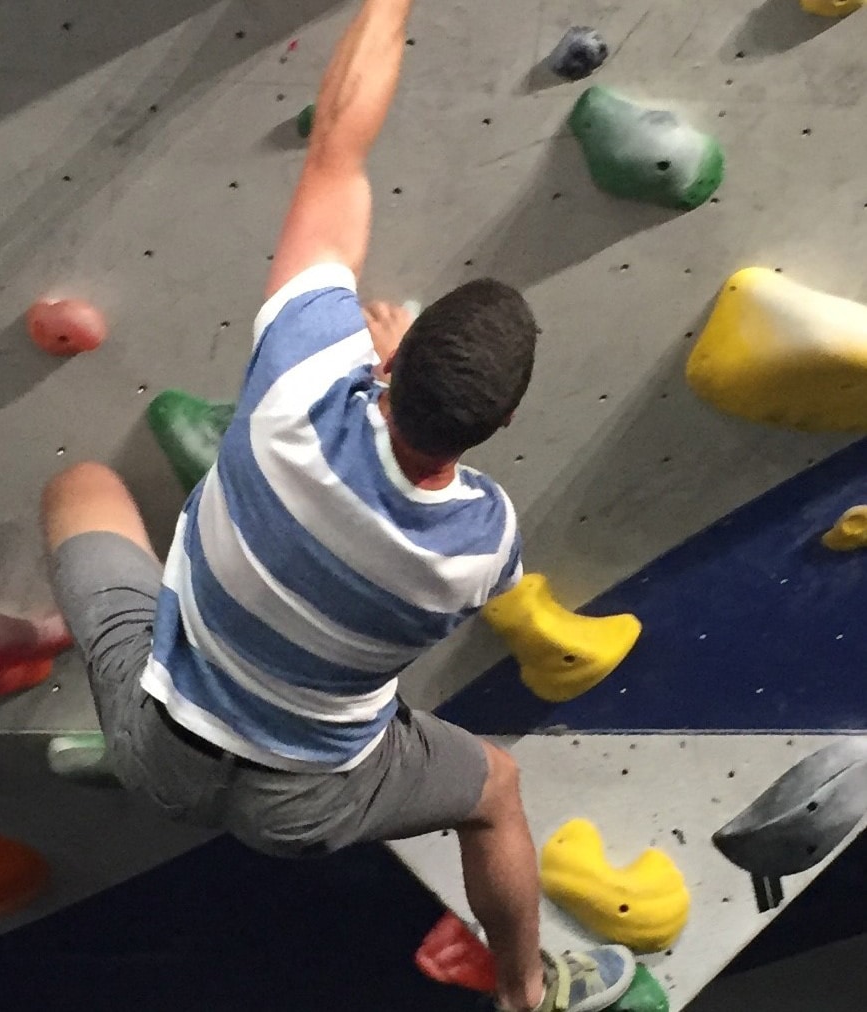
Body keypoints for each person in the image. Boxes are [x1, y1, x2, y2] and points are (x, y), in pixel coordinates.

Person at [40, 2, 635, 1010]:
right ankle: (524, 992)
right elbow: (421, 477)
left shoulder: (295, 388)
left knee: (80, 488)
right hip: (306, 805)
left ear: (389, 364)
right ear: (504, 418)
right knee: (492, 792)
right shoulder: (479, 543)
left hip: (161, 744)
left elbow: (338, 151)